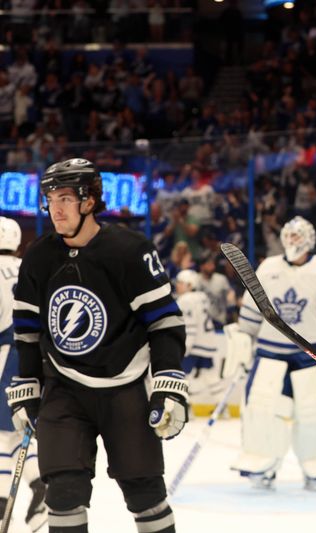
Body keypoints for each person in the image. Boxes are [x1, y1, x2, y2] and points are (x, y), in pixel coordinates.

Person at [6, 158, 188, 533]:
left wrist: (169, 383)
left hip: (125, 389)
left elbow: (165, 322)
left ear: (89, 201)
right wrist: (27, 386)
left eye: (66, 198)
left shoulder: (129, 250)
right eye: (50, 198)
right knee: (62, 492)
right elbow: (26, 331)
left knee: (145, 493)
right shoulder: (38, 257)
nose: (55, 208)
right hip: (64, 389)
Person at [231, 216, 316, 490]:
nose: (293, 242)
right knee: (261, 411)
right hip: (269, 352)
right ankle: (260, 462)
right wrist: (242, 345)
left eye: (298, 237)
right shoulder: (267, 267)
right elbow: (251, 314)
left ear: (310, 240)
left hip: (308, 354)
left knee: (315, 413)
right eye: (289, 236)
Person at [0, 217, 47, 532]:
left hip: (6, 358)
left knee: (2, 436)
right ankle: (40, 487)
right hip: (37, 358)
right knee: (17, 434)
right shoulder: (30, 266)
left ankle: (2, 503)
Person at [175, 269, 225, 404]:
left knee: (181, 375)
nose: (177, 285)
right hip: (208, 342)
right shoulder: (202, 296)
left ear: (190, 285)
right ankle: (222, 404)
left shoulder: (185, 300)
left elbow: (190, 326)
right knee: (210, 375)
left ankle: (184, 406)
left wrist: (185, 347)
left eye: (181, 283)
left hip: (194, 345)